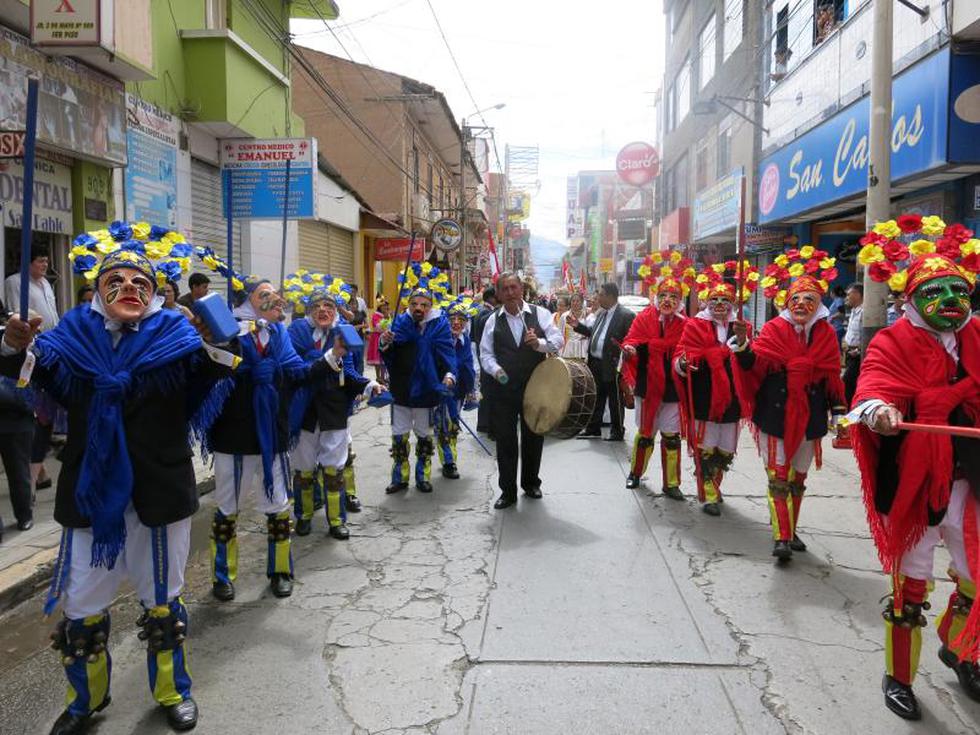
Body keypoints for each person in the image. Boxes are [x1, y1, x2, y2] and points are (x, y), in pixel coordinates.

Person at [1, 224, 232, 734]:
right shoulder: (71, 337)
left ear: (154, 293)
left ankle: (173, 691)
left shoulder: (177, 336)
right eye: (116, 279)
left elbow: (213, 379)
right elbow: (33, 374)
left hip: (159, 490)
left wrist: (216, 339)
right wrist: (15, 344)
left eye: (139, 282)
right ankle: (86, 701)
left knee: (163, 600)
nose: (128, 287)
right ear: (98, 288)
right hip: (92, 493)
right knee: (82, 605)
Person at [849, 215, 980, 721]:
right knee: (910, 589)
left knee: (974, 577)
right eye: (936, 290)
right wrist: (880, 410)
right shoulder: (892, 340)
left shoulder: (976, 335)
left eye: (958, 288)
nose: (950, 299)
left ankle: (959, 644)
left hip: (971, 478)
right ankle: (899, 677)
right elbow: (871, 388)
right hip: (916, 478)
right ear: (911, 298)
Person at [199, 265, 309, 603]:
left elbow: (296, 372)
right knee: (227, 508)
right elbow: (210, 371)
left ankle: (280, 571)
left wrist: (332, 361)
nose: (274, 298)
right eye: (265, 294)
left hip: (272, 434)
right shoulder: (227, 332)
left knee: (278, 506)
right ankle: (222, 576)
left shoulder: (278, 334)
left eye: (273, 293)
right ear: (247, 301)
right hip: (234, 432)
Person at [733, 248, 846, 561]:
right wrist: (742, 346)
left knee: (798, 479)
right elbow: (753, 365)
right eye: (796, 300)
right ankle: (781, 536)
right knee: (778, 478)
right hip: (775, 415)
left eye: (809, 300)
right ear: (786, 303)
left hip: (810, 420)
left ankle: (790, 528)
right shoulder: (772, 330)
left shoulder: (826, 335)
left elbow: (831, 378)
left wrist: (839, 414)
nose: (801, 305)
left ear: (818, 306)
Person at [286, 281, 380, 540]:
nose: (323, 310)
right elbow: (296, 370)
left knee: (334, 469)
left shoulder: (343, 333)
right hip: (304, 412)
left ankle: (337, 520)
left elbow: (349, 372)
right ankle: (303, 516)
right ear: (308, 312)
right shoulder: (296, 332)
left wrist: (369, 384)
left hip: (334, 411)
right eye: (316, 306)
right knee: (304, 469)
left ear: (336, 310)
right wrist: (328, 357)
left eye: (328, 305)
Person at [675, 261, 758, 516]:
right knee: (705, 445)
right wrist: (684, 362)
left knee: (725, 447)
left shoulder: (741, 327)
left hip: (732, 396)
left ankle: (715, 485)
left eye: (725, 299)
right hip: (704, 395)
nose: (720, 304)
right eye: (715, 299)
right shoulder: (695, 325)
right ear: (706, 302)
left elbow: (751, 363)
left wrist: (743, 342)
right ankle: (709, 493)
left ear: (733, 303)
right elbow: (681, 354)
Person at [479, 272, 563, 509]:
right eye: (505, 289)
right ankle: (507, 490)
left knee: (533, 436)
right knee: (505, 440)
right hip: (503, 391)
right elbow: (486, 353)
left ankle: (531, 483)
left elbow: (557, 341)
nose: (510, 293)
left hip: (535, 387)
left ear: (522, 289)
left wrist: (539, 344)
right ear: (499, 294)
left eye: (514, 287)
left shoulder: (540, 314)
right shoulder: (493, 320)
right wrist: (496, 370)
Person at [620, 252, 693, 496]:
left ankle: (672, 483)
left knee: (672, 437)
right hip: (647, 386)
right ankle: (635, 474)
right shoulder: (643, 319)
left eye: (673, 296)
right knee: (645, 434)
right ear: (656, 297)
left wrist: (684, 361)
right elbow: (632, 341)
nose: (668, 300)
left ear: (680, 300)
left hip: (673, 388)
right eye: (663, 295)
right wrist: (630, 350)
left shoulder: (685, 325)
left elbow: (690, 351)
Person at [380, 266, 457, 495]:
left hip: (426, 390)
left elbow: (447, 355)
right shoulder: (399, 323)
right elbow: (388, 352)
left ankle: (423, 476)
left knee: (424, 436)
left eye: (424, 305)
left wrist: (450, 375)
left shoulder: (440, 325)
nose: (419, 308)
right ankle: (400, 477)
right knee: (399, 436)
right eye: (415, 304)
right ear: (408, 305)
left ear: (430, 306)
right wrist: (385, 342)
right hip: (402, 389)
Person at [6, 247, 60, 492]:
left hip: (50, 351)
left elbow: (54, 315)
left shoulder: (47, 285)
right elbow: (17, 315)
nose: (45, 265)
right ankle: (34, 472)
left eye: (47, 260)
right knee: (36, 411)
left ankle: (38, 471)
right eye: (40, 261)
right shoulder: (15, 283)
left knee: (44, 412)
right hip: (29, 353)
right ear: (28, 263)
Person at [571, 282, 635, 441]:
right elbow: (594, 333)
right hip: (596, 362)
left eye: (600, 294)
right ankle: (593, 428)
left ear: (610, 296)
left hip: (613, 364)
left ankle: (617, 430)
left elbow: (632, 339)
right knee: (596, 397)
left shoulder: (626, 315)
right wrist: (578, 326)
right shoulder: (601, 314)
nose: (597, 297)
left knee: (615, 398)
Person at [0, 299, 35, 537]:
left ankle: (24, 514)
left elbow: (16, 354)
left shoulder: (13, 336)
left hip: (16, 418)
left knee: (18, 471)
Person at [435, 296, 478, 480]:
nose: (456, 323)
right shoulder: (440, 340)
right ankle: (449, 461)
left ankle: (449, 457)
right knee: (443, 425)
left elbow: (472, 367)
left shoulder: (467, 342)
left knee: (452, 423)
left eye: (461, 319)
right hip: (441, 389)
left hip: (459, 390)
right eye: (452, 319)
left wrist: (472, 390)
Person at [472, 287, 497, 435]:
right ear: (491, 298)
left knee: (486, 390)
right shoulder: (486, 313)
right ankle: (486, 424)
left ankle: (483, 423)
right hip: (487, 356)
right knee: (488, 390)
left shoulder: (482, 311)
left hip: (484, 355)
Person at [841, 282, 864, 406]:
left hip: (858, 356)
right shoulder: (854, 311)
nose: (847, 297)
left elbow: (867, 337)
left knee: (847, 384)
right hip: (849, 354)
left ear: (857, 294)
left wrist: (858, 350)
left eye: (849, 294)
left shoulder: (865, 311)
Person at [558, 292, 590, 360]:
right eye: (573, 301)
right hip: (569, 349)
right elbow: (559, 334)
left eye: (578, 301)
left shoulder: (587, 316)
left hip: (583, 348)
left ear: (582, 302)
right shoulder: (564, 316)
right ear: (570, 302)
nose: (575, 303)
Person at [366, 296, 390, 383]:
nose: (385, 308)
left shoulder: (387, 315)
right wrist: (385, 320)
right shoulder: (375, 315)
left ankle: (383, 377)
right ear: (379, 307)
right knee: (377, 358)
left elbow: (390, 326)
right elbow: (378, 327)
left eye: (386, 306)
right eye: (383, 306)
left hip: (386, 338)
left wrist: (387, 318)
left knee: (384, 359)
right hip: (377, 338)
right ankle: (378, 376)